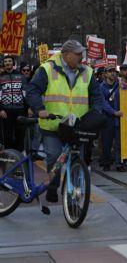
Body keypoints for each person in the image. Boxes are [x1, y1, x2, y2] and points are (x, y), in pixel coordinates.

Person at [26, 40, 104, 203]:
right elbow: (32, 90)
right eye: (77, 54)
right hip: (53, 125)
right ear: (66, 54)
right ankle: (52, 187)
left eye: (82, 53)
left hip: (77, 125)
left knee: (77, 159)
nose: (81, 57)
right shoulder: (47, 69)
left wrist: (96, 112)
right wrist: (40, 109)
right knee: (54, 156)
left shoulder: (87, 72)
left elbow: (96, 96)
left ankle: (73, 193)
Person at [0, 55, 30, 151]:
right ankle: (8, 156)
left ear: (13, 63)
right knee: (7, 135)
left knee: (20, 134)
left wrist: (29, 107)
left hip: (20, 110)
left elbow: (25, 93)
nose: (8, 63)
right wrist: (0, 109)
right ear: (3, 64)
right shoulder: (1, 77)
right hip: (6, 111)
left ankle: (19, 156)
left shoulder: (21, 76)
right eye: (5, 61)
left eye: (9, 61)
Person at [100, 65, 125, 172]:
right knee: (107, 142)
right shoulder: (101, 87)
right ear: (105, 74)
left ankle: (119, 164)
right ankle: (106, 163)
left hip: (119, 118)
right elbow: (103, 103)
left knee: (119, 142)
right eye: (110, 71)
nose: (113, 73)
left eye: (114, 71)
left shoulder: (120, 86)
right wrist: (114, 112)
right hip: (107, 118)